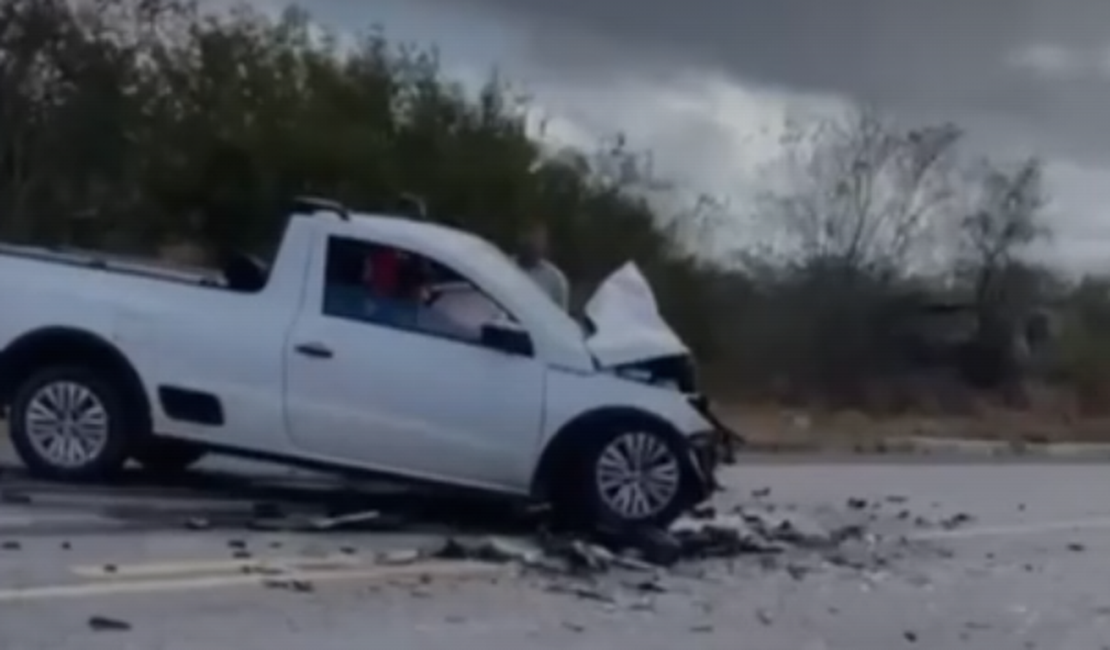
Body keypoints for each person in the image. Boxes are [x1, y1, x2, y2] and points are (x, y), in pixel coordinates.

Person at [516, 221, 569, 310]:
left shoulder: (555, 280)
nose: (531, 241)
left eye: (537, 238)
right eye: (528, 234)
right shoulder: (504, 268)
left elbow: (560, 319)